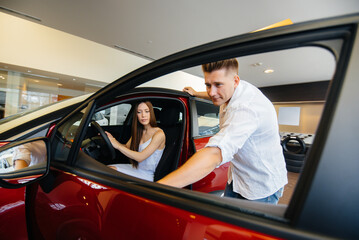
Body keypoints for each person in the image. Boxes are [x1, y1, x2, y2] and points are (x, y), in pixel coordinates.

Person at [157, 58, 287, 204]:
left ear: (235, 81)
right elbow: (214, 92)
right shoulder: (231, 88)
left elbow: (214, 153)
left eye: (218, 85)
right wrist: (196, 93)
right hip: (237, 178)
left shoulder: (247, 108)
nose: (212, 92)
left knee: (240, 227)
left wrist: (157, 190)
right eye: (208, 85)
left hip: (261, 186)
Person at [106, 101, 166, 182]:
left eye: (146, 111)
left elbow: (140, 157)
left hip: (147, 174)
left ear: (151, 113)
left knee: (109, 172)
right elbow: (126, 147)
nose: (143, 115)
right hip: (136, 168)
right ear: (136, 115)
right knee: (106, 169)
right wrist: (112, 140)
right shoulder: (139, 131)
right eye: (139, 112)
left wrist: (117, 145)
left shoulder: (159, 134)